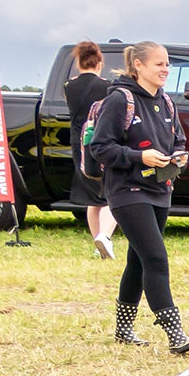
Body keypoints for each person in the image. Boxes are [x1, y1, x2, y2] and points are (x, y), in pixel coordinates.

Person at [89, 41, 189, 353]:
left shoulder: (166, 102)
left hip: (159, 189)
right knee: (155, 257)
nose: (165, 69)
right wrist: (140, 158)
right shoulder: (119, 99)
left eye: (167, 64)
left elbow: (177, 139)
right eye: (159, 64)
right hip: (127, 190)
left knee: (138, 260)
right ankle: (175, 333)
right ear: (138, 66)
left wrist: (178, 155)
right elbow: (100, 147)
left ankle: (123, 329)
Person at [63, 40, 118, 258]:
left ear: (79, 61)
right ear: (99, 62)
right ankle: (104, 236)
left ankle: (98, 242)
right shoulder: (107, 86)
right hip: (101, 141)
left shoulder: (69, 86)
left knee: (91, 197)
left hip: (79, 143)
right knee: (111, 194)